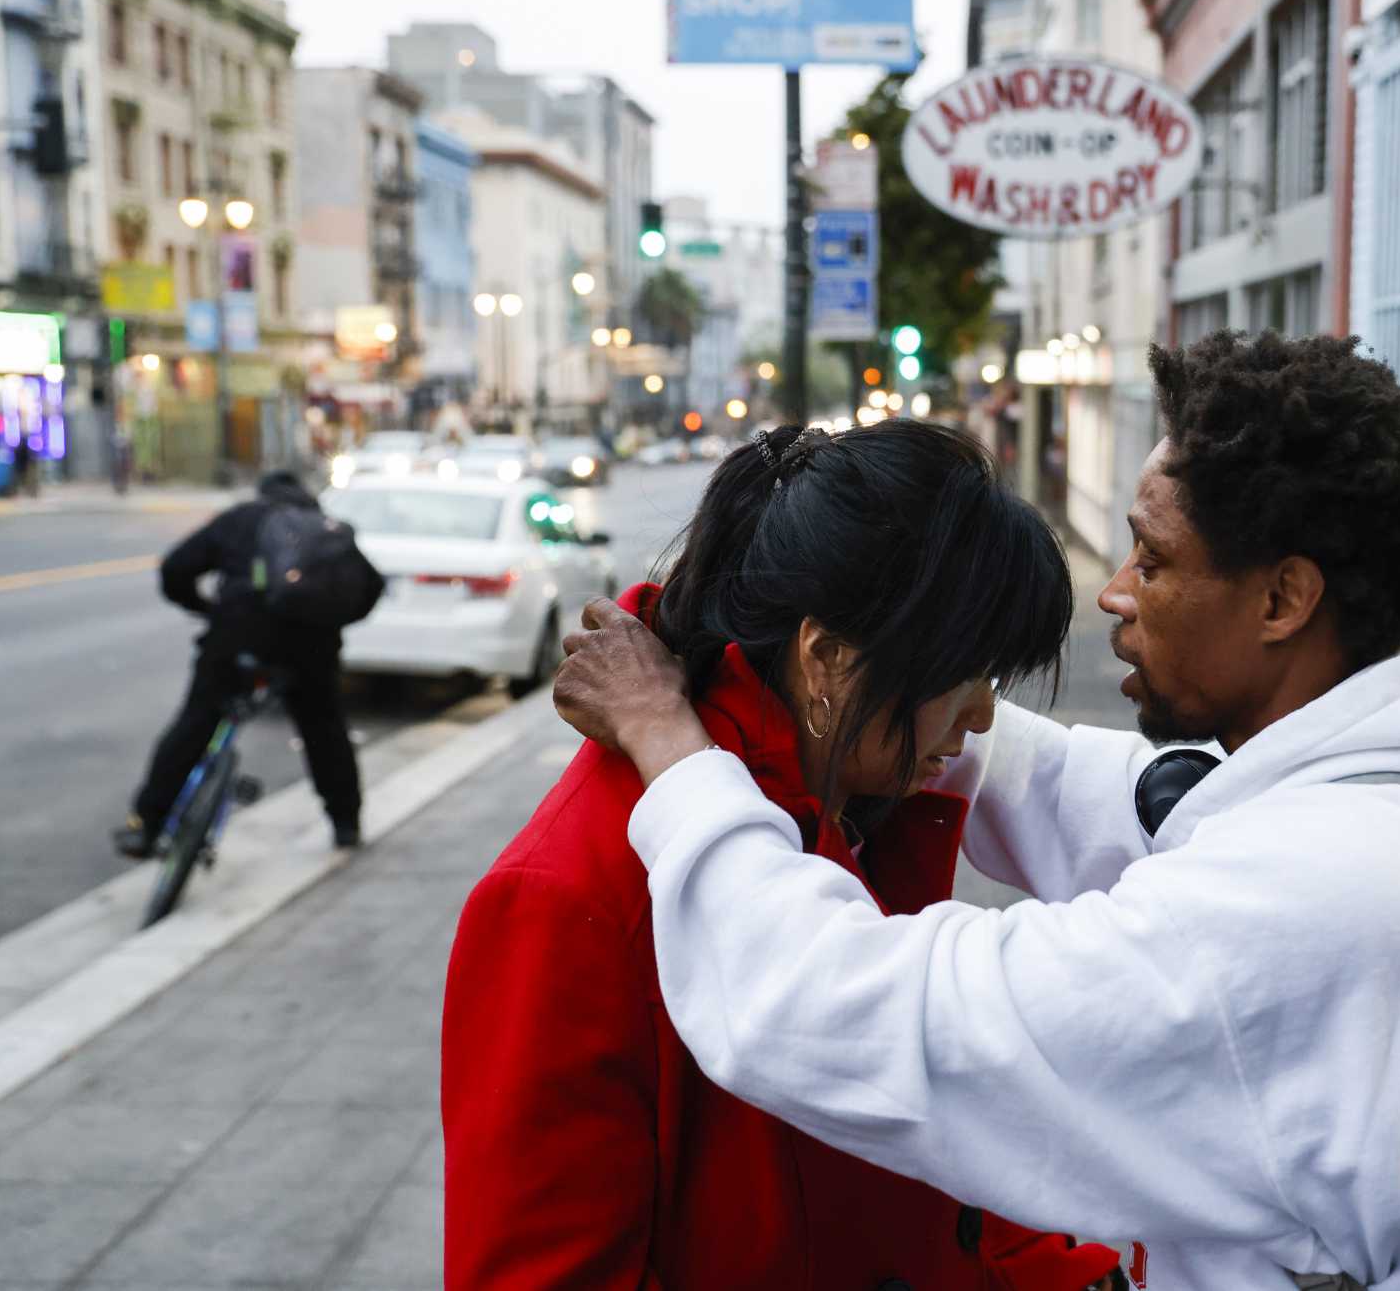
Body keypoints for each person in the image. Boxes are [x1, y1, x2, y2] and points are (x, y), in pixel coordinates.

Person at [557, 332, 1400, 1291]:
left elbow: (835, 1008)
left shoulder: (1314, 898)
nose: (1117, 591)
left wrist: (671, 745)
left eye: (1154, 558)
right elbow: (1092, 795)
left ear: (1282, 600)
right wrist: (899, 694)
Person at [441, 423, 1122, 1290]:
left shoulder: (855, 799)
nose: (984, 717)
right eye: (967, 674)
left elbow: (936, 1187)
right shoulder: (568, 895)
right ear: (826, 658)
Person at [115, 471, 368, 855]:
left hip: (237, 638)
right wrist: (329, 623)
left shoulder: (242, 519)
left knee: (196, 722)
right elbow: (369, 588)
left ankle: (147, 824)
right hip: (309, 649)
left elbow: (175, 570)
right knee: (324, 729)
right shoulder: (327, 530)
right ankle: (345, 822)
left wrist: (205, 608)